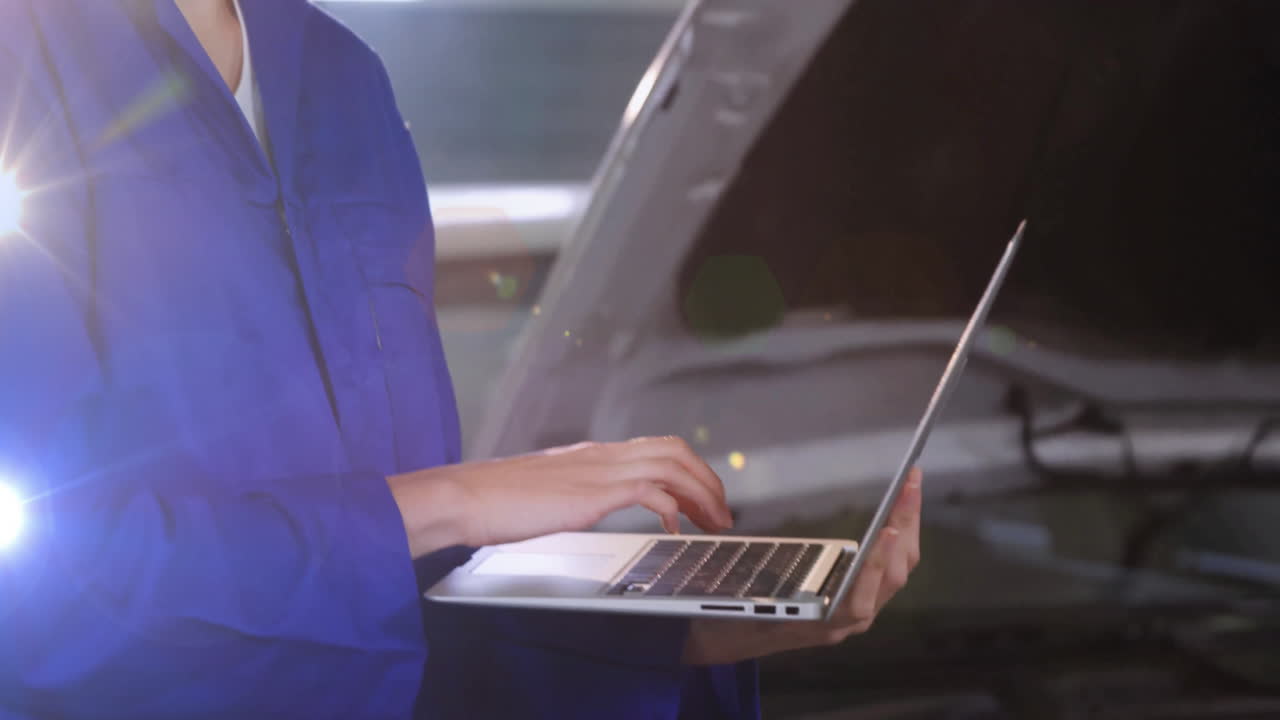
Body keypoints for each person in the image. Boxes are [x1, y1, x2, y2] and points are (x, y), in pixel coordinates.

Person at [0, 1, 923, 717]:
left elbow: (403, 615)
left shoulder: (342, 79)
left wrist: (703, 633)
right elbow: (39, 609)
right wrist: (458, 499)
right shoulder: (20, 78)